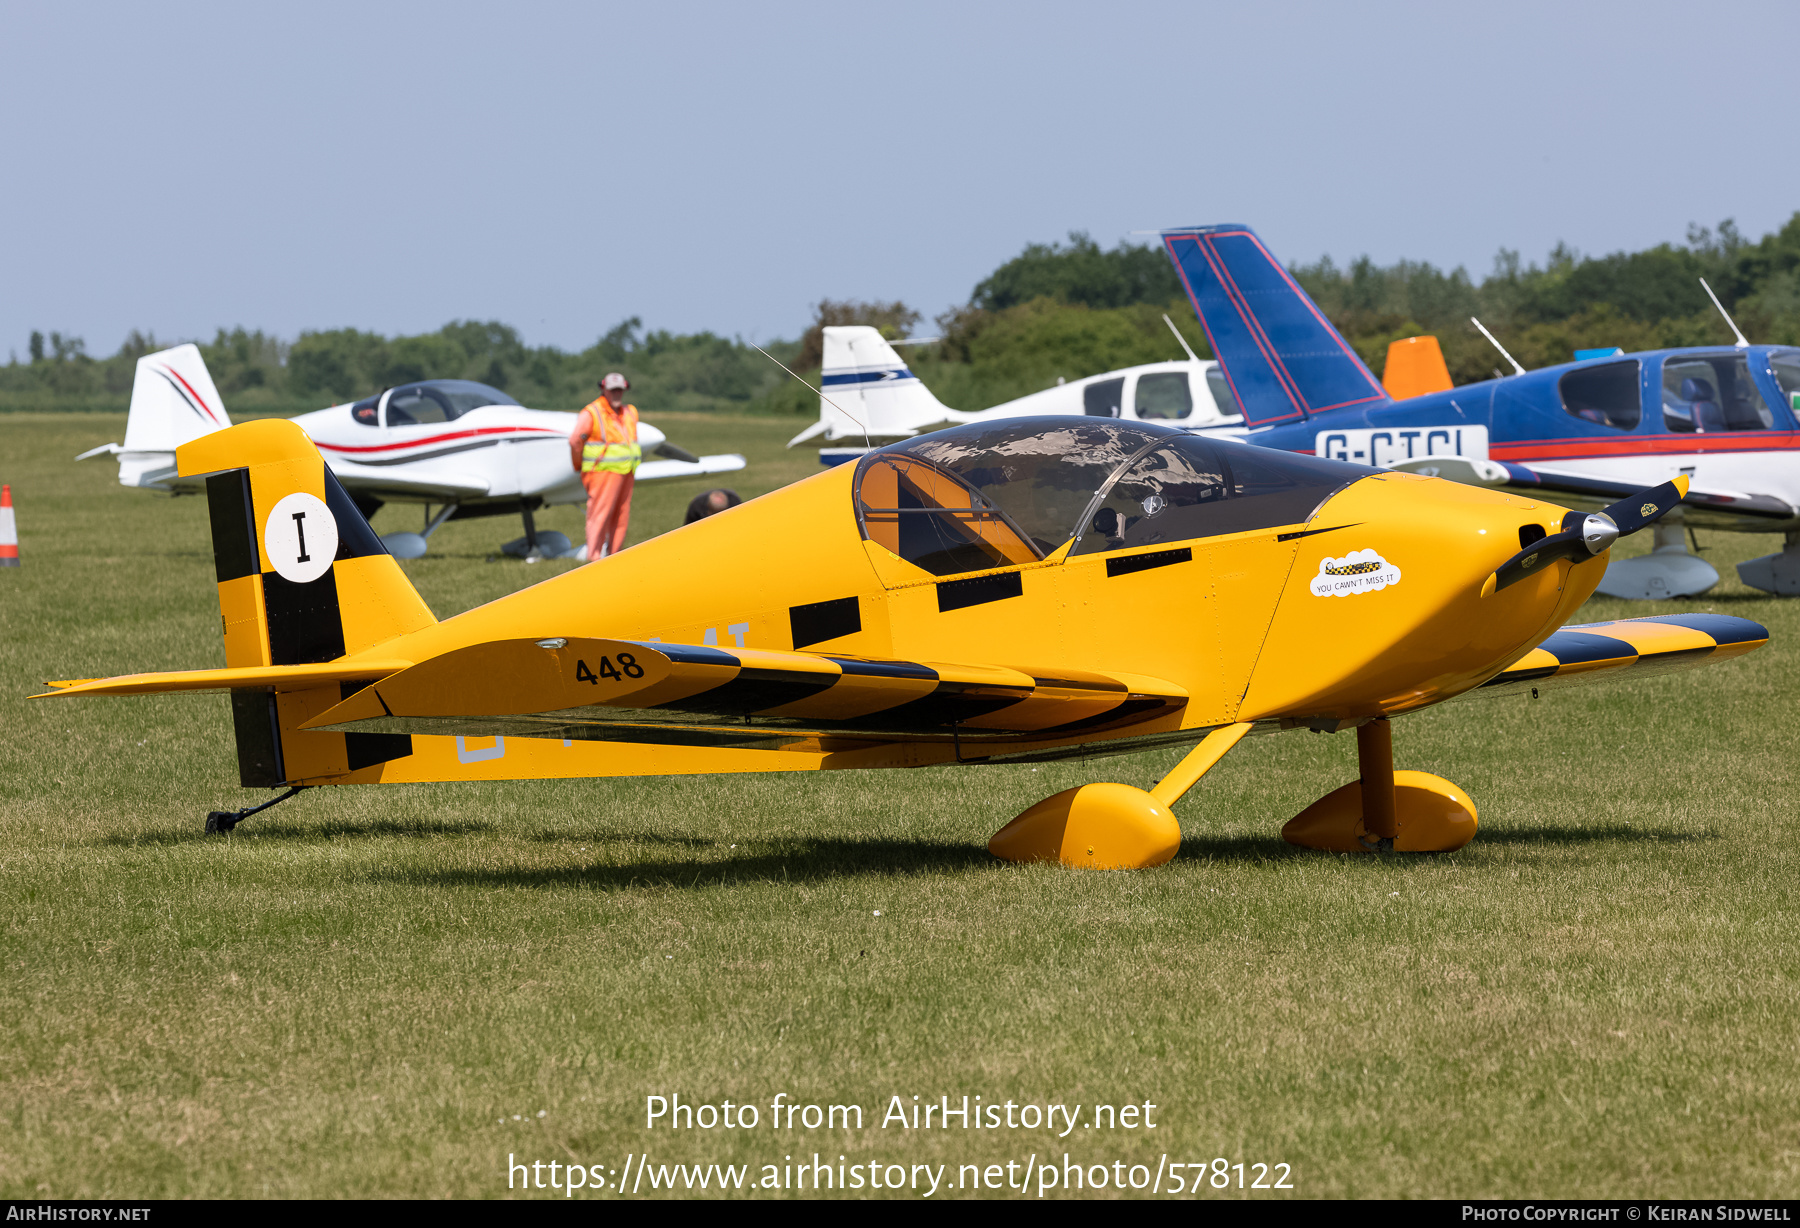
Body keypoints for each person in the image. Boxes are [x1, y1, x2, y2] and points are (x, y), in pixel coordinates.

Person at [569, 373, 641, 559]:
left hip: (627, 471)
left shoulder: (630, 411)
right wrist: (579, 465)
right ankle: (594, 557)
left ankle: (614, 556)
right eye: (612, 390)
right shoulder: (592, 412)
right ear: (603, 389)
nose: (617, 394)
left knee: (621, 517)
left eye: (620, 390)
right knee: (599, 516)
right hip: (601, 473)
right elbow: (575, 441)